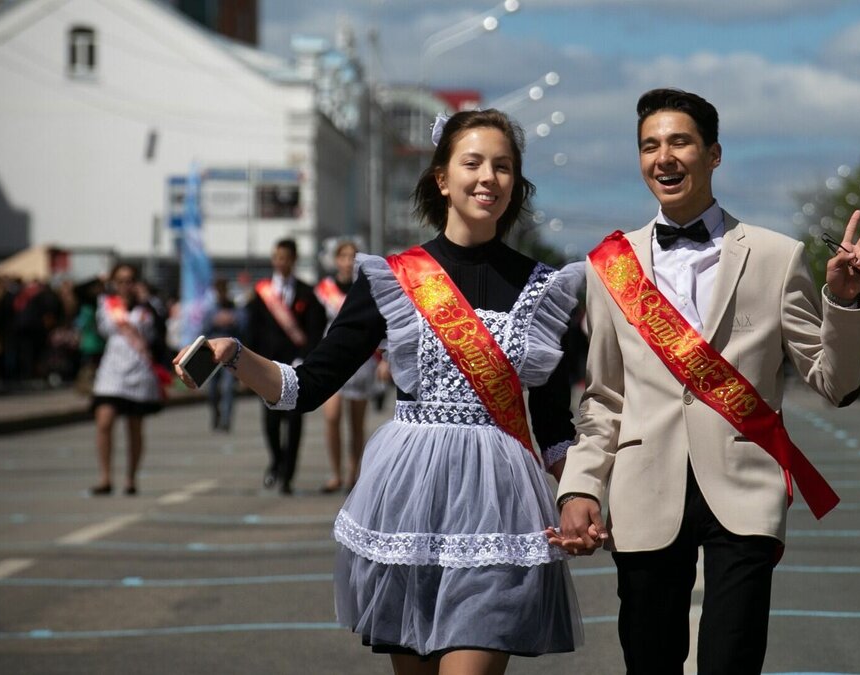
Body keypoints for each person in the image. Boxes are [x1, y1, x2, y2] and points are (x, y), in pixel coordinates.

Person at [174, 109, 584, 674]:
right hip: (408, 500)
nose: (488, 177)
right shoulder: (394, 278)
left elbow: (555, 425)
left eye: (503, 166)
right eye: (473, 163)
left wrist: (582, 494)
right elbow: (306, 385)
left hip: (498, 505)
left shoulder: (543, 289)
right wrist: (236, 355)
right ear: (442, 178)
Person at [551, 88, 860, 675]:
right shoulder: (609, 268)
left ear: (714, 154)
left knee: (732, 660)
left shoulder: (777, 256)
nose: (664, 158)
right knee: (650, 661)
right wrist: (580, 488)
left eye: (680, 142)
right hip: (643, 487)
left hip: (743, 490)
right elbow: (603, 398)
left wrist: (844, 303)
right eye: (650, 146)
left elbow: (835, 383)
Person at [246, 238, 326, 494]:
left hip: (296, 366)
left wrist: (305, 357)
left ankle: (288, 475)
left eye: (286, 257)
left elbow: (314, 330)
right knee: (270, 421)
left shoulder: (306, 292)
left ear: (293, 260)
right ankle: (276, 462)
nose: (281, 262)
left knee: (294, 422)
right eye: (277, 257)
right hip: (267, 365)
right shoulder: (262, 294)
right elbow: (252, 330)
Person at [89, 263, 164, 496]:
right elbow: (82, 294)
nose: (125, 285)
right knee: (104, 421)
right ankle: (105, 477)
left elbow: (161, 331)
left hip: (139, 370)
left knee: (134, 427)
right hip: (112, 370)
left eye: (130, 280)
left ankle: (131, 478)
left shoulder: (148, 307)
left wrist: (146, 301)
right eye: (120, 280)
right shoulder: (106, 304)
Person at [315, 240, 379, 492]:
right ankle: (335, 473)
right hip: (332, 356)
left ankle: (353, 473)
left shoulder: (368, 289)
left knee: (356, 422)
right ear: (335, 259)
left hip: (362, 359)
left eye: (353, 256)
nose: (348, 261)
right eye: (343, 256)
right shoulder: (324, 289)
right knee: (331, 416)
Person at [204, 278, 242, 432]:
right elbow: (202, 328)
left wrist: (233, 321)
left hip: (229, 356)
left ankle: (226, 420)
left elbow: (244, 324)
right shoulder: (211, 310)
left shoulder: (234, 308)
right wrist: (215, 321)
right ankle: (216, 413)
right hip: (212, 355)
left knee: (228, 388)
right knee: (212, 390)